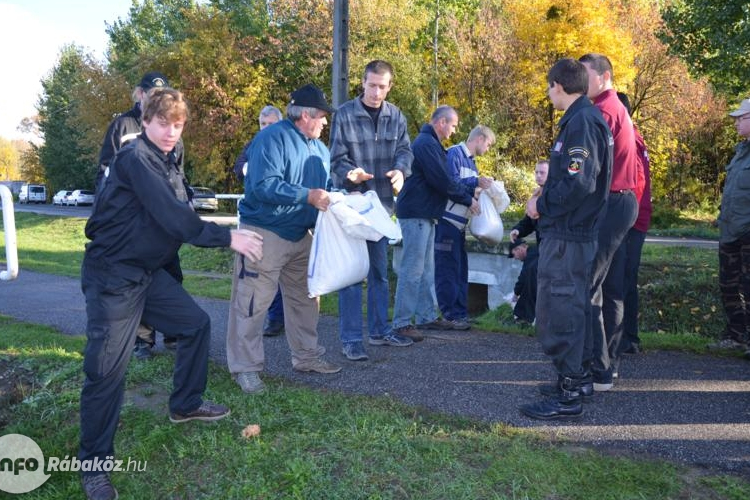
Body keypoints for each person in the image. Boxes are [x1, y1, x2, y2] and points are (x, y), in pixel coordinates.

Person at [79, 87, 264, 500]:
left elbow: (177, 211)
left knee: (195, 324)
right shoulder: (135, 159)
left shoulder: (168, 159)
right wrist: (227, 238)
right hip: (113, 275)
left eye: (178, 125)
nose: (170, 132)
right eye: (163, 123)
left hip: (148, 271)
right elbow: (173, 217)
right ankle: (94, 466)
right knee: (107, 372)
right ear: (145, 122)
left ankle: (185, 403)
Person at [226, 84, 342, 395]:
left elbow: (325, 187)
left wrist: (342, 191)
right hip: (264, 233)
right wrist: (307, 195)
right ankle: (245, 369)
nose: (325, 122)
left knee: (306, 300)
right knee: (252, 302)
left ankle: (307, 357)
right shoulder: (270, 138)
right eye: (322, 116)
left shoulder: (320, 148)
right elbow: (263, 186)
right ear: (305, 115)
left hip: (302, 235)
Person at [519, 58, 612, 420]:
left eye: (548, 87)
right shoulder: (581, 120)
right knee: (568, 304)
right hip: (570, 232)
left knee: (562, 309)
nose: (548, 94)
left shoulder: (581, 123)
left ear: (558, 85)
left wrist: (541, 203)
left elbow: (579, 182)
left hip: (570, 234)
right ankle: (573, 379)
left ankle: (569, 393)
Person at [329, 60, 414, 361]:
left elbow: (405, 150)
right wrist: (350, 173)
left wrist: (401, 171)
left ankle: (379, 332)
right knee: (353, 275)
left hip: (381, 207)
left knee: (379, 274)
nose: (376, 92)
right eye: (372, 85)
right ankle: (351, 339)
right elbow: (336, 158)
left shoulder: (396, 116)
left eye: (382, 86)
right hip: (353, 205)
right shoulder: (344, 114)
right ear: (362, 83)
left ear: (390, 86)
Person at [95, 71, 181, 360]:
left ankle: (174, 332)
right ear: (140, 94)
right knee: (139, 280)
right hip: (133, 224)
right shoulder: (123, 125)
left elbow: (177, 174)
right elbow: (106, 173)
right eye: (150, 93)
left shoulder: (171, 129)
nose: (156, 98)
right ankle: (143, 341)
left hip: (164, 222)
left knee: (171, 275)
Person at [579, 53, 640, 390]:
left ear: (603, 76)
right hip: (623, 203)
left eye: (585, 75)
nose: (580, 82)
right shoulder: (615, 107)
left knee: (588, 285)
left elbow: (587, 171)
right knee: (608, 288)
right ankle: (607, 366)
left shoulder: (602, 111)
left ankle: (597, 369)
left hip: (612, 203)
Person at [390, 106, 478, 340]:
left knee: (426, 270)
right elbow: (442, 180)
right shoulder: (426, 145)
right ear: (441, 123)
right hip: (416, 212)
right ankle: (401, 323)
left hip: (426, 212)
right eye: (453, 124)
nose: (455, 129)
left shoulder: (431, 144)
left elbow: (443, 180)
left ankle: (426, 316)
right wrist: (467, 198)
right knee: (412, 269)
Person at [232, 105, 286, 337]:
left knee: (288, 276)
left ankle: (285, 319)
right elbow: (238, 167)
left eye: (270, 124)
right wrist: (252, 168)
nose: (265, 128)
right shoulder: (253, 145)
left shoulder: (288, 144)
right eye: (263, 124)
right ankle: (273, 318)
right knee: (263, 273)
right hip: (259, 219)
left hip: (285, 219)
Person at [435, 125, 495, 330]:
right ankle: (449, 314)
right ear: (479, 138)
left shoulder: (472, 162)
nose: (487, 149)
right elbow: (450, 182)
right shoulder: (454, 153)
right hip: (447, 221)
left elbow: (468, 188)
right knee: (447, 270)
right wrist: (475, 182)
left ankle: (460, 313)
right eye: (488, 144)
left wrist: (481, 193)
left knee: (461, 270)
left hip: (460, 224)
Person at [714, 98, 750, 358]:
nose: (736, 122)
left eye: (741, 117)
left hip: (747, 233)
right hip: (730, 233)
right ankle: (736, 336)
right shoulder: (740, 152)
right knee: (728, 285)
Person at [617, 92, 652, 356]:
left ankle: (628, 337)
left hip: (632, 221)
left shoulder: (631, 140)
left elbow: (637, 185)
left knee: (624, 278)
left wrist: (624, 220)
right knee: (625, 277)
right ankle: (627, 337)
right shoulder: (634, 137)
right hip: (635, 219)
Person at [509, 160, 549, 244]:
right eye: (536, 172)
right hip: (542, 247)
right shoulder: (536, 194)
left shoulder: (556, 196)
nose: (538, 175)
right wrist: (518, 230)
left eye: (542, 173)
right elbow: (530, 221)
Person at [508, 239, 539, 324]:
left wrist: (515, 293)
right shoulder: (534, 253)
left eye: (513, 254)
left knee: (528, 287)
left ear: (519, 249)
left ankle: (523, 319)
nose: (515, 258)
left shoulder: (531, 257)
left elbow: (523, 278)